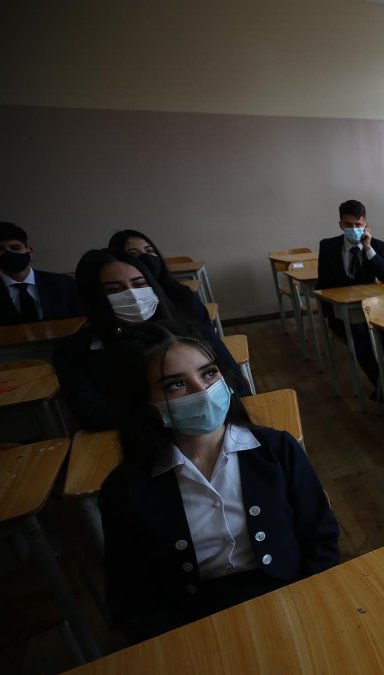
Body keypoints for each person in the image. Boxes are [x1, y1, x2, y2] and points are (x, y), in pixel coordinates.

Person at [100, 321, 338, 643]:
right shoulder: (126, 488)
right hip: (196, 624)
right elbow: (130, 595)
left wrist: (316, 602)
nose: (202, 390)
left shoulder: (276, 449)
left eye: (209, 373)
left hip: (292, 596)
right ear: (146, 405)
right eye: (176, 385)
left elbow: (320, 536)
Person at [54, 249, 247, 431]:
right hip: (137, 438)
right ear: (92, 297)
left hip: (217, 427)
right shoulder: (74, 352)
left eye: (139, 284)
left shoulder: (187, 329)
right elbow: (93, 416)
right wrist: (175, 412)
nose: (132, 294)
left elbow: (233, 379)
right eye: (114, 290)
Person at [315, 199, 384, 396]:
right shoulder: (328, 247)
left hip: (372, 308)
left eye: (358, 225)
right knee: (360, 335)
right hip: (342, 312)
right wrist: (330, 315)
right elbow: (322, 284)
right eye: (348, 225)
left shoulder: (377, 245)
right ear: (341, 225)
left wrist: (368, 248)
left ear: (365, 224)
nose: (353, 229)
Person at [0, 221, 83, 325]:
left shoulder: (64, 284)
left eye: (15, 248)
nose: (9, 253)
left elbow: (81, 323)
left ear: (29, 252)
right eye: (1, 250)